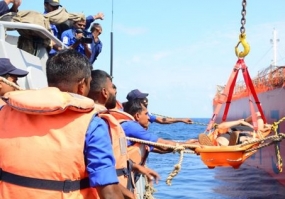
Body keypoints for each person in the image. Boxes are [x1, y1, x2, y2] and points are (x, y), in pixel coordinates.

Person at [0, 49, 124, 198]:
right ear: (82, 85)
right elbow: (109, 192)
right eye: (90, 83)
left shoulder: (5, 112)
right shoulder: (93, 125)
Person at [87, 69, 160, 191]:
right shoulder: (101, 124)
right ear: (105, 92)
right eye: (113, 91)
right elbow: (102, 172)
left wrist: (138, 167)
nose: (116, 97)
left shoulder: (108, 121)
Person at [122, 99, 197, 155]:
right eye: (146, 114)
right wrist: (188, 144)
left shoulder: (128, 126)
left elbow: (160, 149)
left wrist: (185, 145)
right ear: (137, 116)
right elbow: (164, 146)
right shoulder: (131, 126)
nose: (149, 118)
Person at [199, 112, 272, 146]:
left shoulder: (257, 130)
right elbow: (220, 127)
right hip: (230, 132)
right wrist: (242, 121)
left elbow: (258, 115)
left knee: (242, 138)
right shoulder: (242, 123)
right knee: (224, 136)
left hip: (244, 135)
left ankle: (220, 146)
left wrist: (267, 128)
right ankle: (214, 145)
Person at [126, 89, 193, 124]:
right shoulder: (127, 114)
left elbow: (161, 120)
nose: (145, 100)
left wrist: (181, 120)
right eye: (142, 99)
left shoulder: (145, 114)